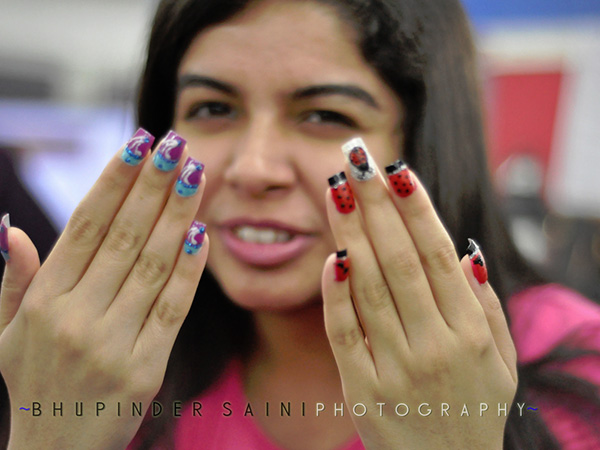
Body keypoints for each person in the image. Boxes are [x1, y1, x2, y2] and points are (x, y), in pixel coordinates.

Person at [1, 0, 599, 448]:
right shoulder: (106, 366)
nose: (254, 168)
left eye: (323, 114)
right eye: (213, 108)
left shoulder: (577, 365)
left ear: (423, 144)